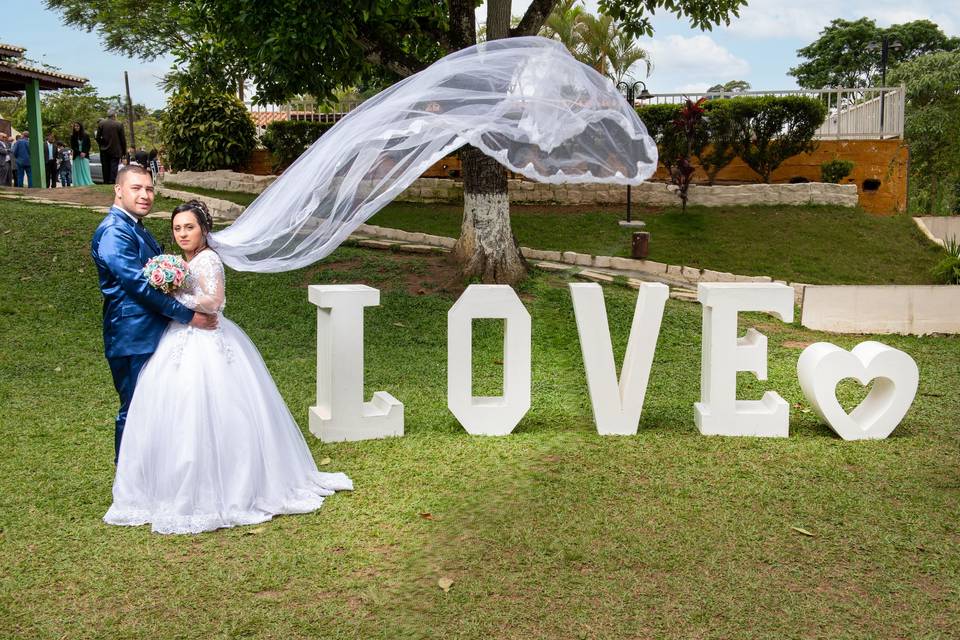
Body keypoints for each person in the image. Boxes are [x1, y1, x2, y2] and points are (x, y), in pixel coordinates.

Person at [103, 198, 352, 534]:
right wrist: (171, 289)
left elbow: (214, 301)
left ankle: (228, 487)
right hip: (178, 337)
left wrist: (174, 294)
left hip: (209, 338)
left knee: (220, 408)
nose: (182, 234)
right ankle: (166, 484)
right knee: (175, 409)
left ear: (204, 229)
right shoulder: (178, 260)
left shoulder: (208, 260)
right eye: (177, 228)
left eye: (189, 227)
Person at [90, 165, 218, 463]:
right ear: (118, 190)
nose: (145, 195)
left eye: (149, 189)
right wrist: (189, 315)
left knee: (154, 408)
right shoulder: (114, 231)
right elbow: (137, 285)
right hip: (132, 335)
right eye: (136, 188)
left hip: (151, 331)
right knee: (134, 409)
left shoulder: (134, 226)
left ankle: (151, 477)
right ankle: (127, 482)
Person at [95, 109, 126, 184]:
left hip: (104, 149)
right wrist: (123, 151)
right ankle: (112, 181)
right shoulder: (119, 124)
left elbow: (97, 137)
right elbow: (122, 139)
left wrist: (102, 144)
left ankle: (106, 181)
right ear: (114, 115)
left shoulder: (101, 123)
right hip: (115, 149)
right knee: (114, 166)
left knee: (105, 166)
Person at [70, 122, 94, 186]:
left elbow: (88, 145)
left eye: (77, 126)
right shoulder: (72, 136)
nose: (76, 127)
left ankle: (86, 182)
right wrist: (80, 153)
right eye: (75, 126)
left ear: (80, 127)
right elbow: (73, 146)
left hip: (85, 156)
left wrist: (84, 153)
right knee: (78, 171)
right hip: (77, 156)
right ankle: (78, 183)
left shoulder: (86, 135)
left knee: (85, 170)